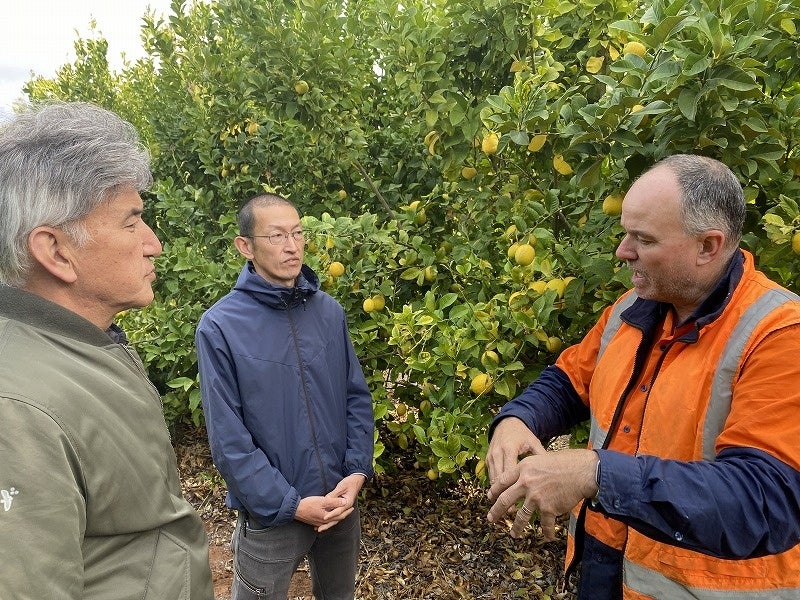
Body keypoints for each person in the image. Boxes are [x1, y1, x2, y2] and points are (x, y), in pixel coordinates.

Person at [485, 154, 800, 599]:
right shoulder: (631, 311)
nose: (622, 251)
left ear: (708, 246)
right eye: (625, 233)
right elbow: (570, 380)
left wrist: (598, 473)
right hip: (605, 568)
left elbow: (766, 500)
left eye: (643, 239)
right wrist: (518, 419)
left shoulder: (779, 334)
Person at [0, 102, 214, 599]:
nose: (154, 243)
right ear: (55, 251)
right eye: (130, 222)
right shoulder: (18, 411)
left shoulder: (86, 348)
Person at [196, 193, 374, 600]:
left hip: (339, 503)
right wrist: (291, 505)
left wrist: (357, 472)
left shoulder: (329, 312)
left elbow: (356, 399)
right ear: (246, 246)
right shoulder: (220, 326)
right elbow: (228, 439)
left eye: (297, 233)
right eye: (276, 236)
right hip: (272, 517)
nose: (292, 246)